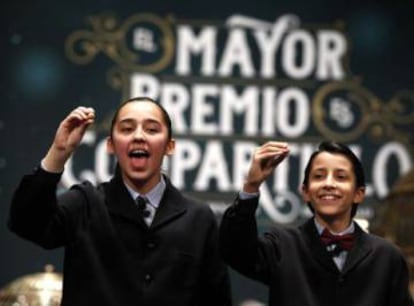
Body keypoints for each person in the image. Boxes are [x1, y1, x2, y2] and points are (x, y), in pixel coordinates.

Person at [8, 97, 232, 306]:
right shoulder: (85, 203)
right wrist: (59, 153)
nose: (138, 136)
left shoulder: (198, 217)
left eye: (152, 129)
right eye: (126, 128)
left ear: (169, 146)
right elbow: (25, 223)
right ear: (111, 145)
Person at [219, 140, 413, 306]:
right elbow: (234, 251)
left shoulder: (387, 257)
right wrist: (251, 186)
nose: (328, 183)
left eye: (341, 177)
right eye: (319, 176)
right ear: (306, 191)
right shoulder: (282, 246)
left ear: (358, 193)